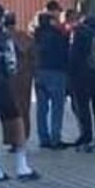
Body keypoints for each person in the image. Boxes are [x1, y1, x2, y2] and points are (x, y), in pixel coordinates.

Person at [0, 3, 40, 182]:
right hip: (2, 86)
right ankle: (22, 166)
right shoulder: (4, 38)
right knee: (17, 121)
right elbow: (11, 65)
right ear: (1, 18)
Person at [69, 15, 95, 151]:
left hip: (81, 75)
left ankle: (86, 136)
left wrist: (70, 73)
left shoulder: (79, 33)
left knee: (82, 107)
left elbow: (73, 55)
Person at [33, 12, 69, 149]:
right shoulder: (58, 35)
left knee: (42, 108)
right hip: (56, 72)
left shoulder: (36, 36)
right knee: (57, 107)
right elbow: (65, 53)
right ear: (51, 21)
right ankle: (55, 138)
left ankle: (43, 138)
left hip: (40, 73)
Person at [3, 12, 34, 144]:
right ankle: (24, 135)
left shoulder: (2, 37)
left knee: (10, 109)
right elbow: (33, 56)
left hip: (8, 78)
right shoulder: (25, 36)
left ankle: (12, 139)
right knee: (24, 107)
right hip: (25, 77)